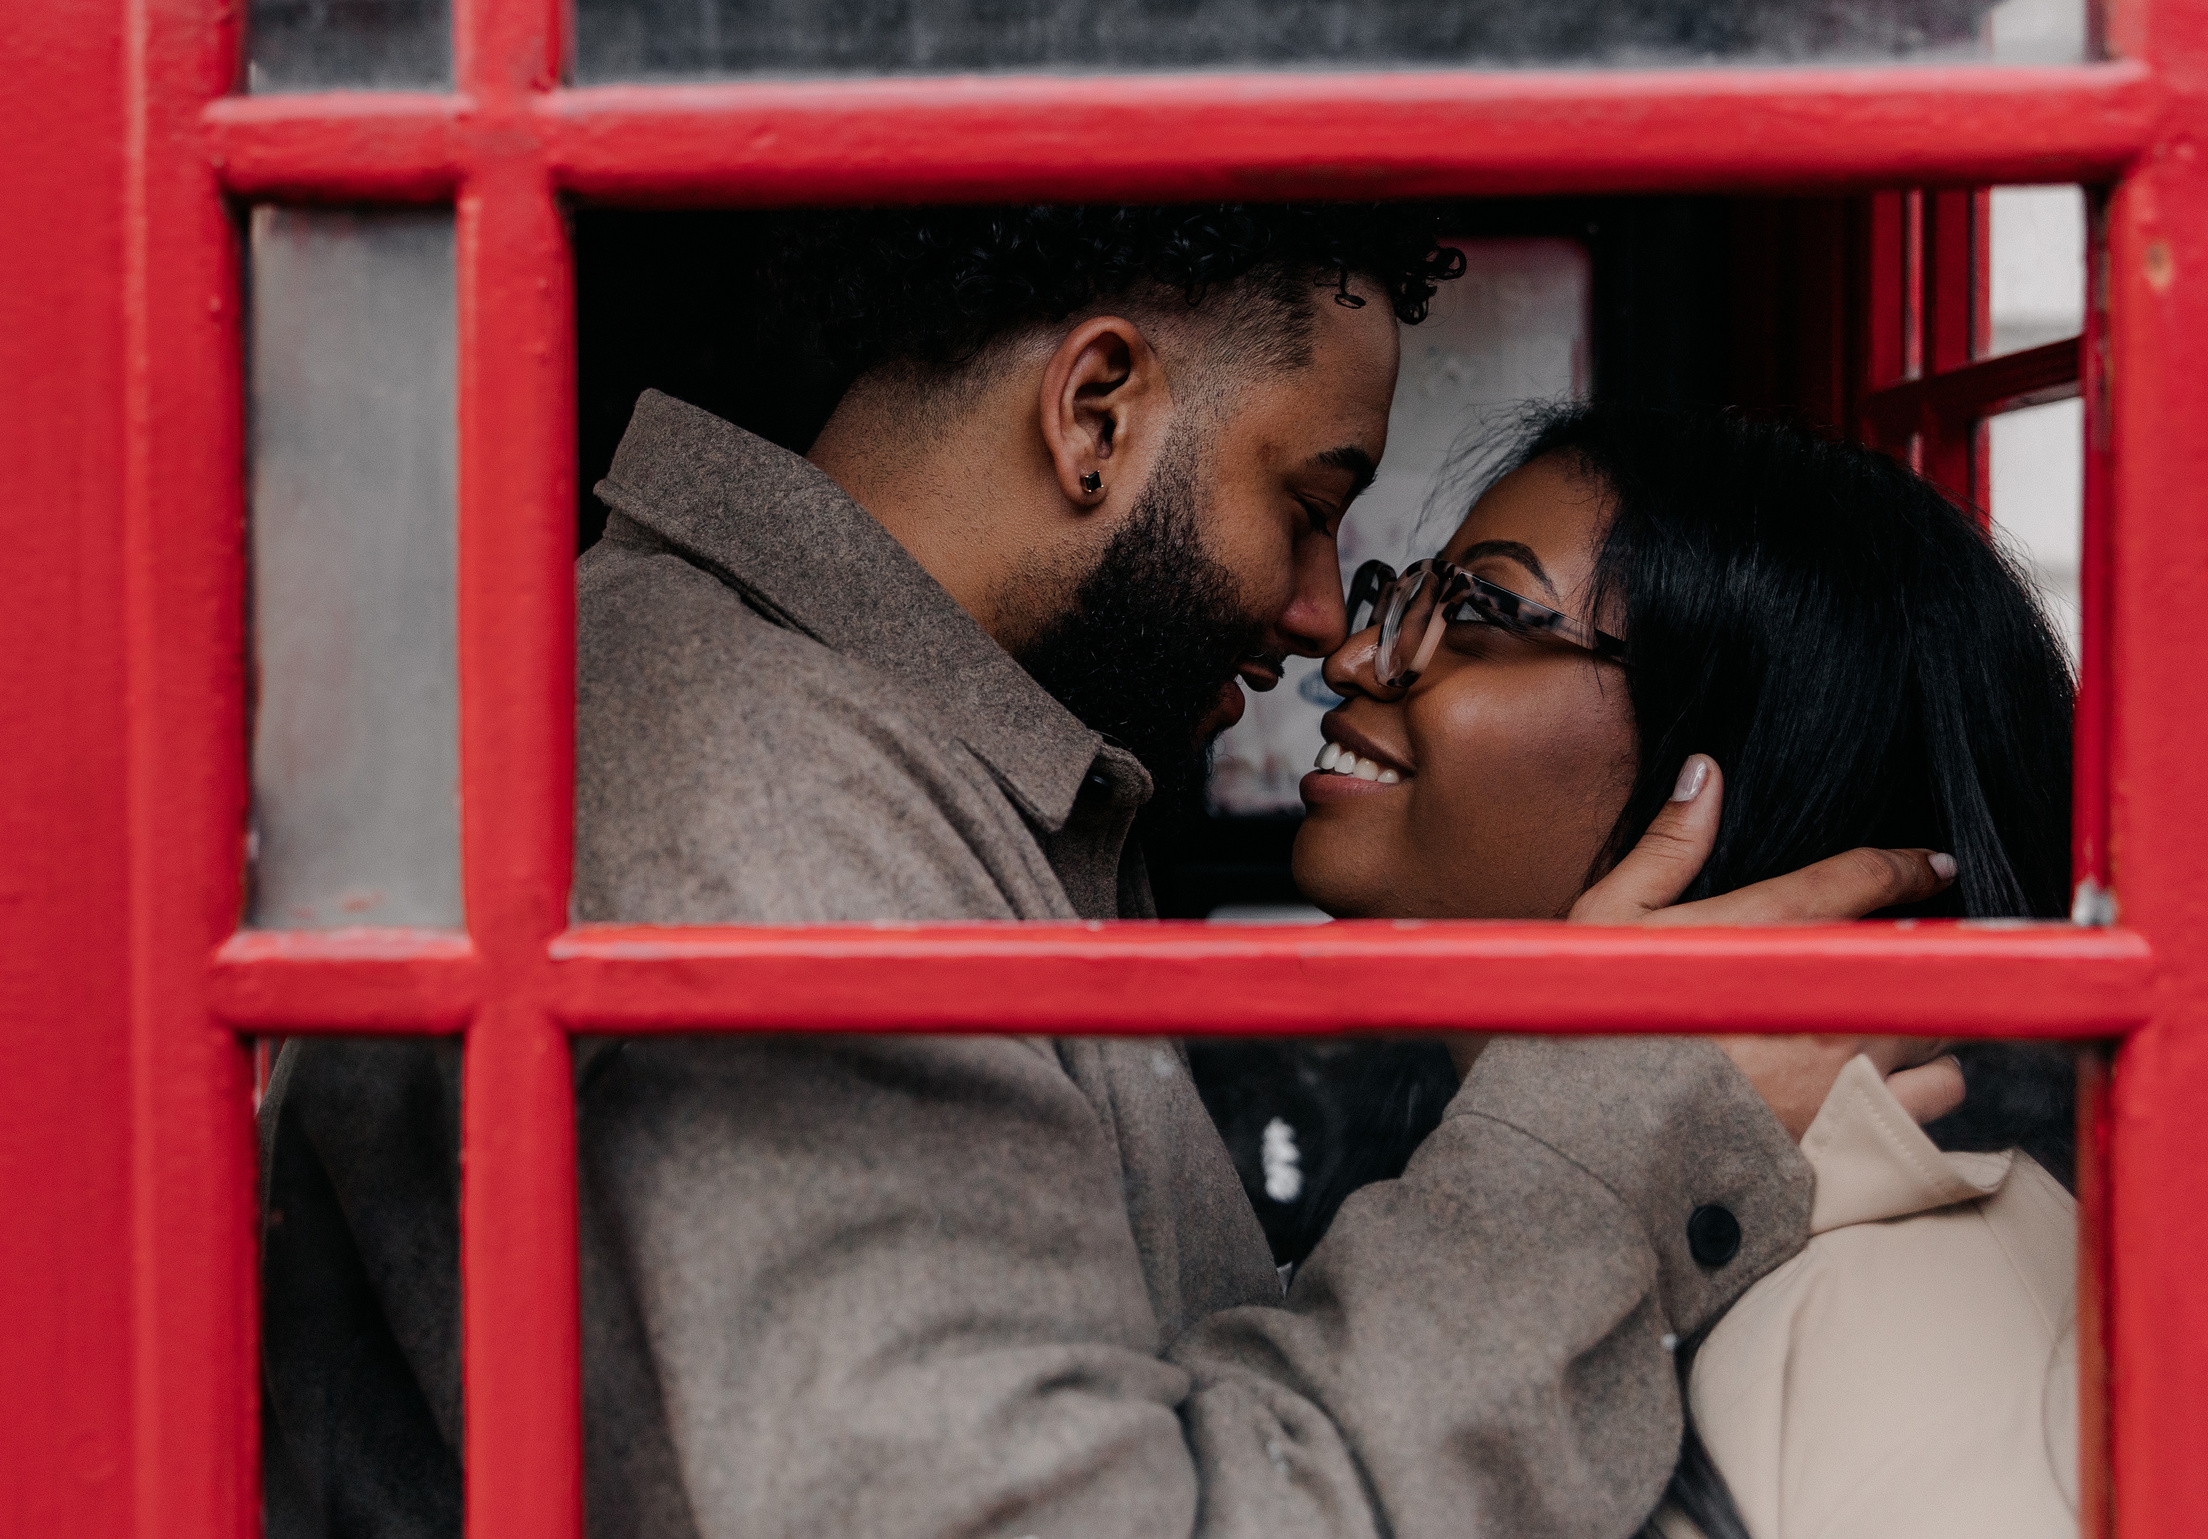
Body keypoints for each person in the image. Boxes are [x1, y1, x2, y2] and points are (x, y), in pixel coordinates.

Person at [259, 204, 1962, 1539]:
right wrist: (1587, 1154)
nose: (1326, 616)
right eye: (1309, 500)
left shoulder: (917, 773)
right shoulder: (759, 802)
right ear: (1095, 412)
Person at [1287, 400, 2079, 1539]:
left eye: (1477, 614)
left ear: (1722, 759)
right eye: (1407, 599)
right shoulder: (1456, 1156)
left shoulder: (1900, 1327)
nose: (1354, 657)